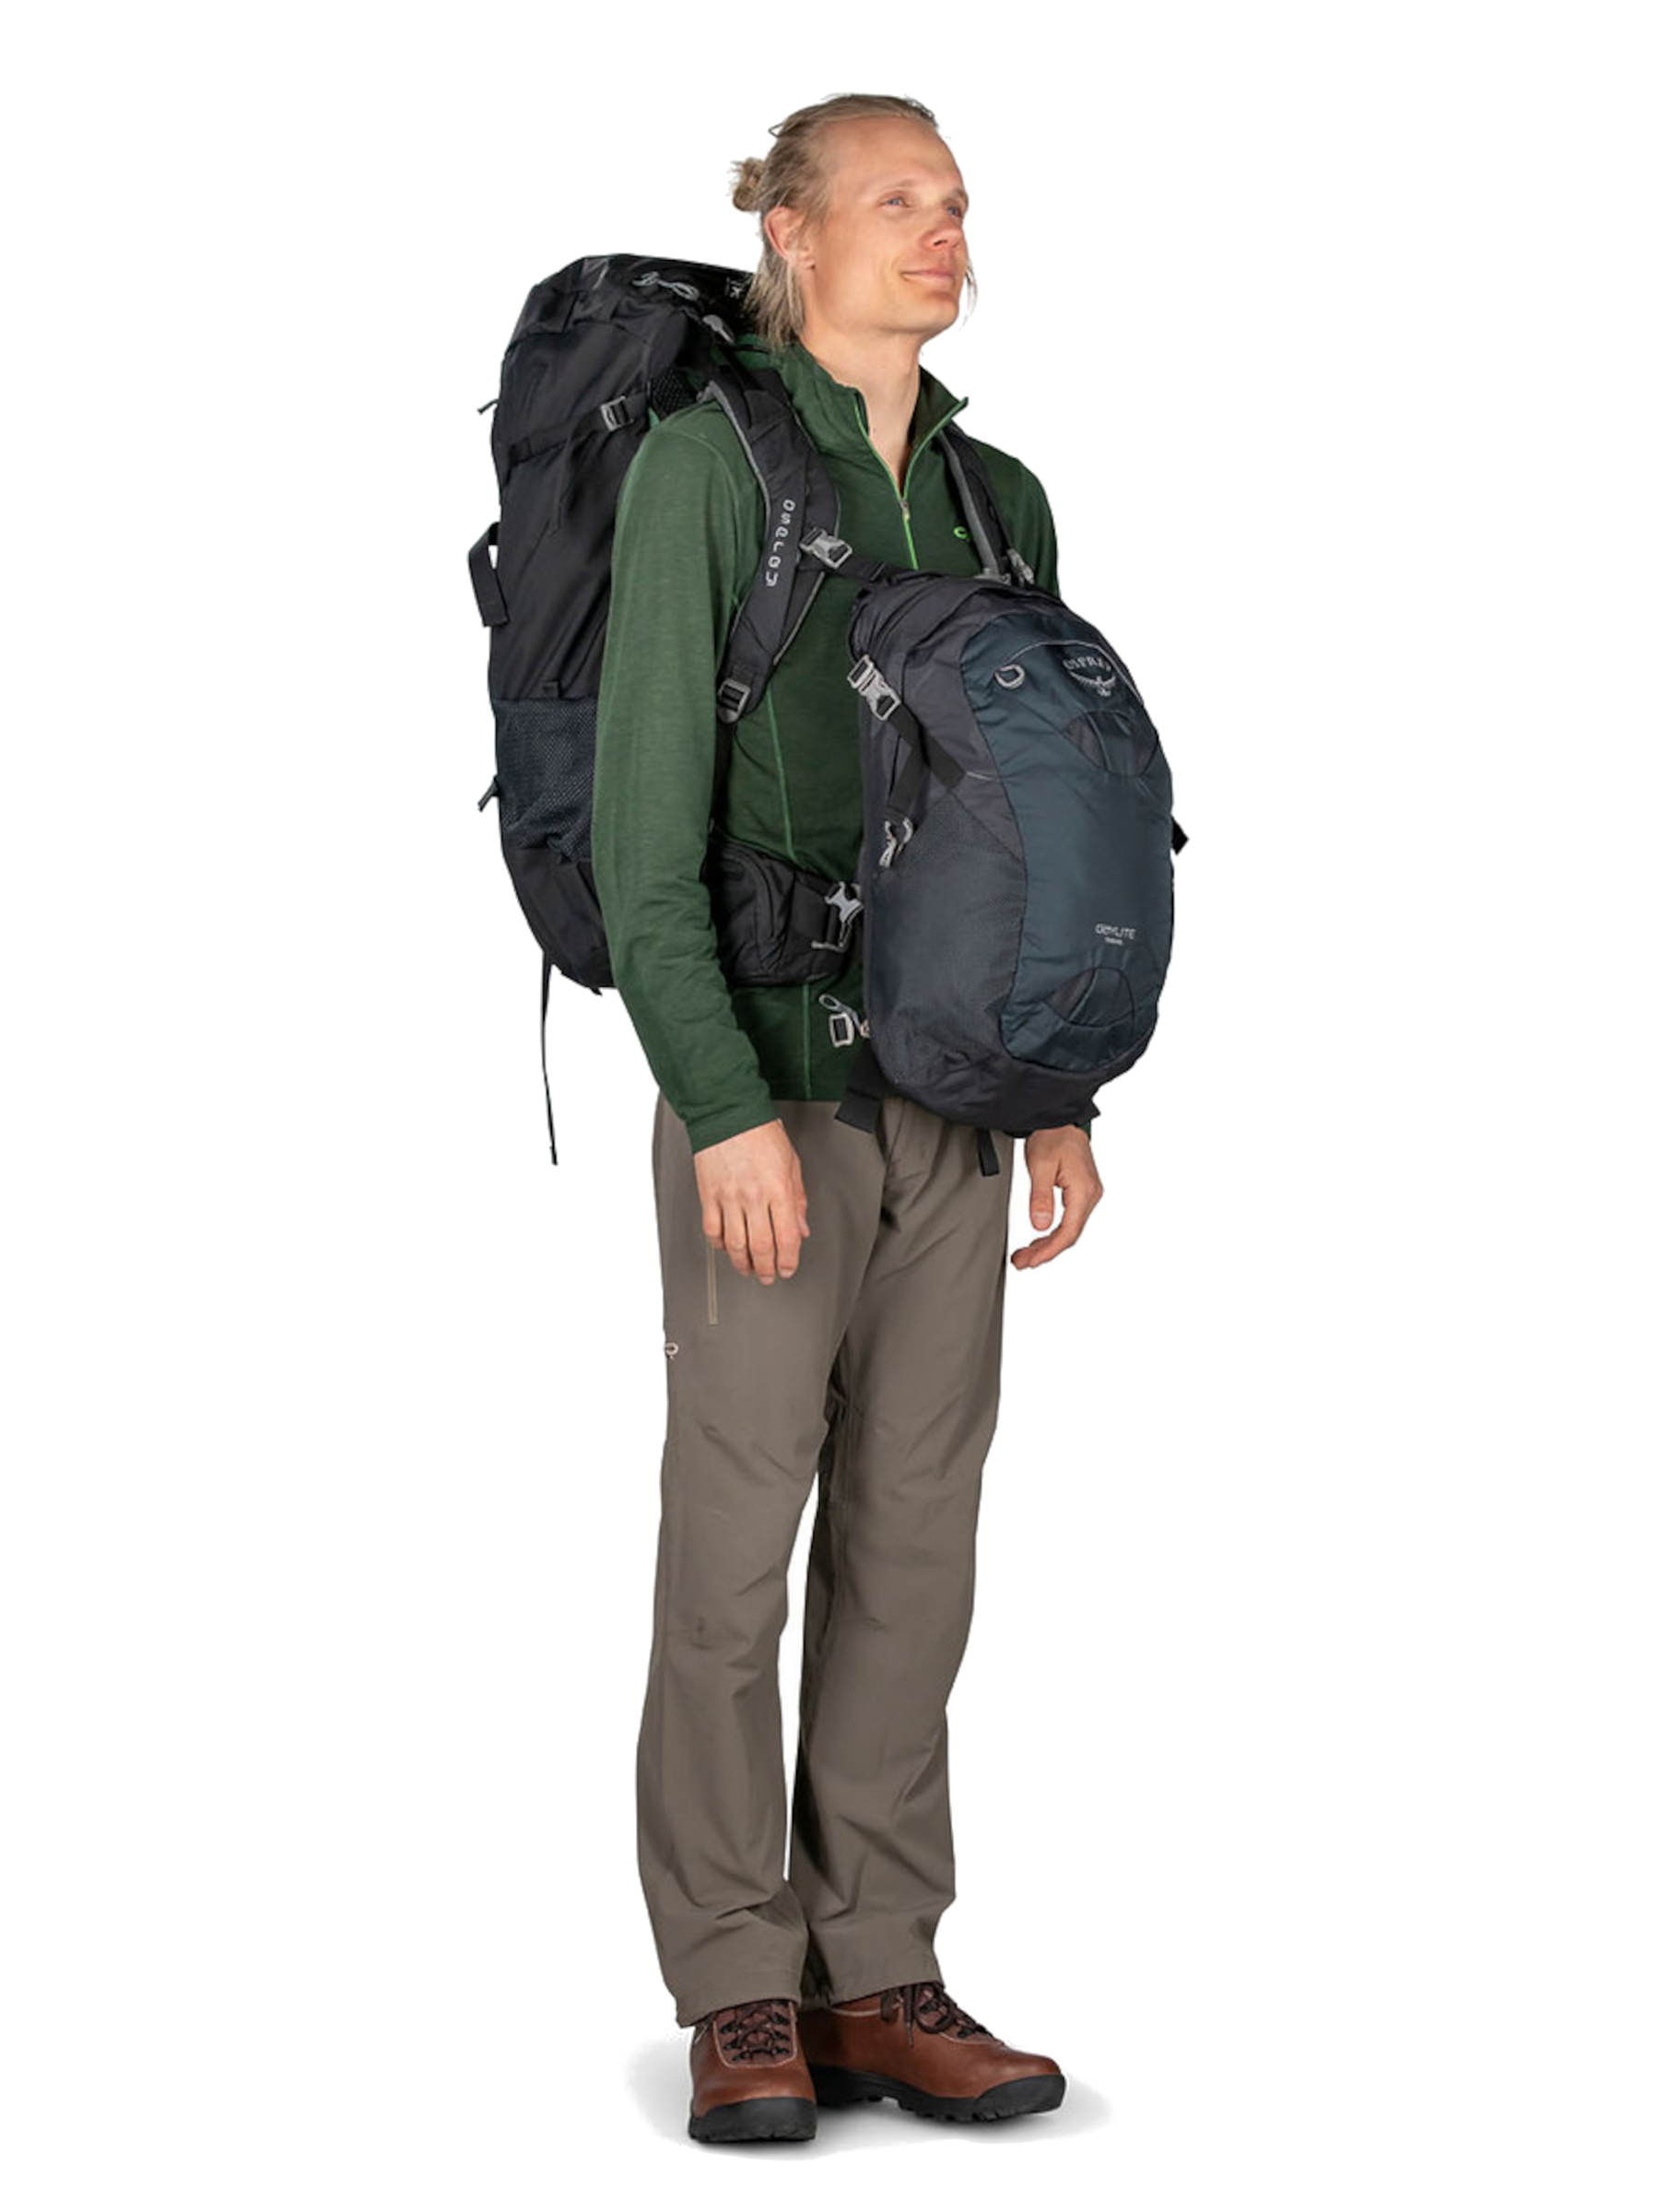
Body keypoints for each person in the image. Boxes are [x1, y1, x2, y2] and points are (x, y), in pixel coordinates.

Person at [591, 92, 1101, 2146]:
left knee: (916, 1549)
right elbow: (642, 843)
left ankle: (879, 1970)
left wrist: (1056, 1087)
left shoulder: (1001, 498)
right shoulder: (708, 469)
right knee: (734, 1559)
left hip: (958, 1110)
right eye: (898, 201)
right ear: (793, 235)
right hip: (773, 1100)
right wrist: (719, 1107)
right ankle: (739, 1982)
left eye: (956, 203)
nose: (943, 231)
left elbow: (1047, 826)